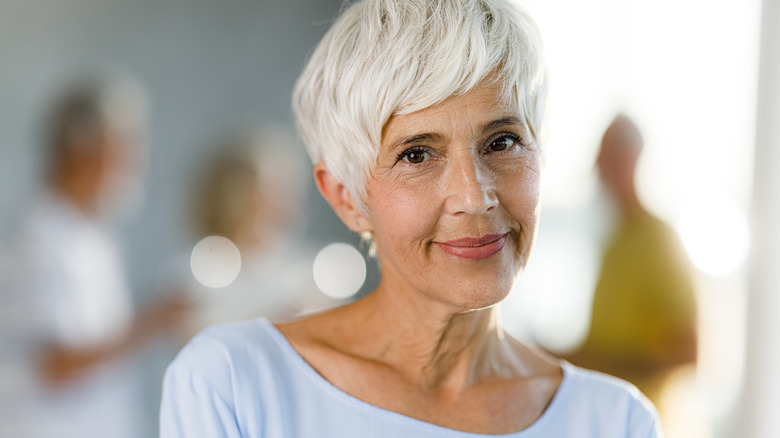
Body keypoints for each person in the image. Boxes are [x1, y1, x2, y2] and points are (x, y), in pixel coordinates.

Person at [160, 1, 662, 436]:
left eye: (502, 141)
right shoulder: (232, 383)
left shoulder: (616, 421)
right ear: (346, 198)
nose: (475, 196)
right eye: (417, 154)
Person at [0, 77, 187, 438]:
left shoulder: (89, 233)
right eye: (125, 145)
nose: (139, 160)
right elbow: (57, 366)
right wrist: (154, 320)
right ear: (81, 149)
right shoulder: (40, 239)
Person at [565, 116, 698, 426]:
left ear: (631, 159)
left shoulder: (657, 242)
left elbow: (687, 353)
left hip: (653, 424)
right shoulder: (617, 242)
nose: (596, 167)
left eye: (605, 155)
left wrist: (599, 367)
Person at [185, 127, 323, 329]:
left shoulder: (308, 273)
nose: (285, 203)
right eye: (273, 191)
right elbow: (200, 341)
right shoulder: (197, 275)